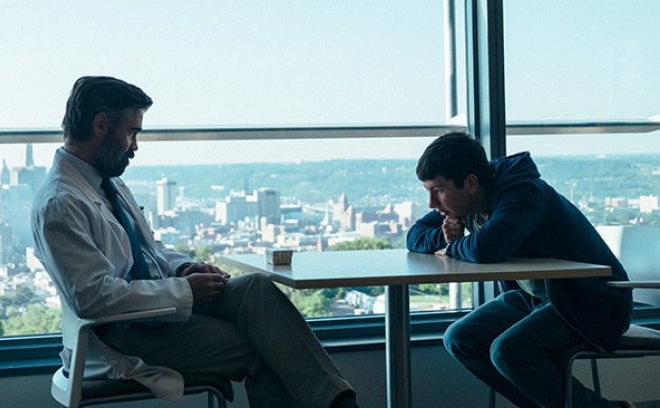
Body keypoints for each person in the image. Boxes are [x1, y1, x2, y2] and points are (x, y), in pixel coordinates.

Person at [32, 76, 359, 408]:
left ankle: (340, 403)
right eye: (132, 132)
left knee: (254, 289)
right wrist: (186, 290)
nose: (135, 146)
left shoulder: (107, 186)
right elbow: (92, 298)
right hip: (122, 334)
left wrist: (183, 267)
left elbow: (149, 249)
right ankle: (341, 405)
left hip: (156, 306)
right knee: (267, 349)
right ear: (100, 125)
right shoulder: (61, 202)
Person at [406, 132, 632, 408]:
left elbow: (485, 249)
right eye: (428, 191)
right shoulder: (464, 202)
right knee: (460, 339)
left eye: (438, 190)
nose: (432, 203)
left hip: (589, 301)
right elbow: (414, 236)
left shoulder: (522, 193)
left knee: (508, 352)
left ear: (471, 183)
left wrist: (453, 244)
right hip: (538, 298)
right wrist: (444, 237)